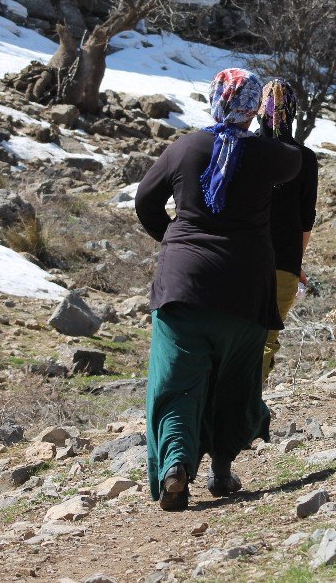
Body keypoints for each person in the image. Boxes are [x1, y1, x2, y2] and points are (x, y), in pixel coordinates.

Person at [135, 68, 302, 511]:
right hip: (246, 289)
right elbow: (293, 156)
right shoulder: (268, 156)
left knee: (178, 383)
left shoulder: (186, 147)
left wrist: (173, 239)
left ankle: (175, 465)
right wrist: (272, 123)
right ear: (250, 108)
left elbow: (145, 201)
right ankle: (222, 470)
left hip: (184, 286)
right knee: (234, 383)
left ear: (213, 99)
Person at [260, 79, 319, 382]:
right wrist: (297, 262)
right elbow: (305, 222)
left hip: (240, 261)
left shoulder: (244, 150)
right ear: (293, 114)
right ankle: (244, 413)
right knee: (267, 341)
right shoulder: (304, 159)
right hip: (284, 263)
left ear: (259, 112)